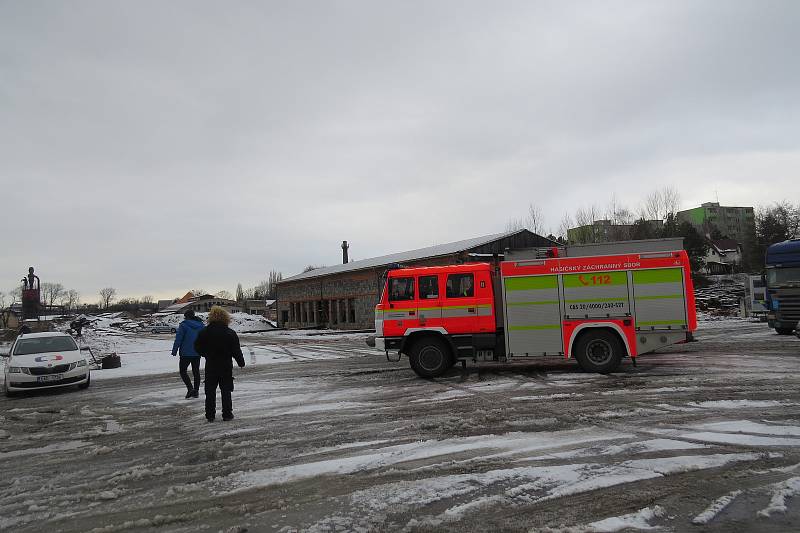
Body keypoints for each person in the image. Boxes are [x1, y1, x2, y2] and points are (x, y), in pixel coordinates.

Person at [194, 306, 245, 422]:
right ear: (225, 317)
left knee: (210, 391)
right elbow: (236, 350)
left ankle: (210, 414)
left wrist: (206, 354)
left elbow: (197, 346)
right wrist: (241, 362)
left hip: (211, 365)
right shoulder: (230, 332)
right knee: (226, 390)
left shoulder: (204, 332)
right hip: (225, 365)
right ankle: (227, 414)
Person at [171, 310, 205, 399]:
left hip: (185, 353)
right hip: (197, 352)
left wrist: (174, 350)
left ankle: (190, 389)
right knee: (196, 372)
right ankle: (196, 391)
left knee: (183, 371)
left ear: (186, 317)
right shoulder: (201, 325)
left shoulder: (183, 325)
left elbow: (179, 339)